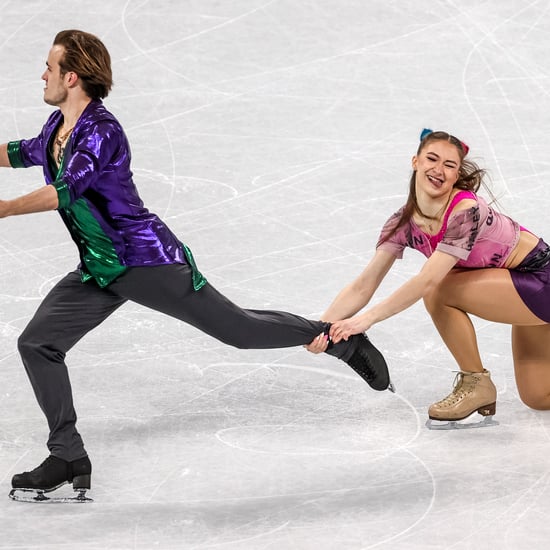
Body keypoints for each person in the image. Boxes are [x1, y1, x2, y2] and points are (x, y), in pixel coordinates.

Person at [1, 30, 392, 501]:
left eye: (49, 66)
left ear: (72, 76)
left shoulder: (102, 131)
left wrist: (5, 208)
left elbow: (67, 190)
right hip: (101, 267)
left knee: (239, 330)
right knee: (38, 343)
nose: (41, 74)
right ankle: (68, 455)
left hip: (147, 261)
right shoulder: (56, 128)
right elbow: (17, 152)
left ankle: (338, 338)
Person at [307, 128, 550, 427]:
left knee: (438, 291)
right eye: (432, 159)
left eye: (449, 165)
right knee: (538, 397)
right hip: (518, 291)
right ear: (415, 162)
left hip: (540, 279)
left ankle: (477, 384)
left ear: (457, 173)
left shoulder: (465, 211)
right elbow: (363, 285)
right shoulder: (402, 223)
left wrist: (364, 321)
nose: (439, 170)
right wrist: (321, 329)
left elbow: (428, 281)